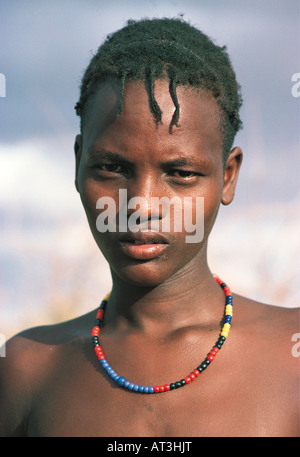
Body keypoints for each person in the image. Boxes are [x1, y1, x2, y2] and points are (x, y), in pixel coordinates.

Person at [0, 17, 299, 438]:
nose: (140, 206)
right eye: (112, 167)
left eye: (180, 173)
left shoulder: (292, 358)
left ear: (228, 176)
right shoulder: (28, 368)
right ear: (78, 162)